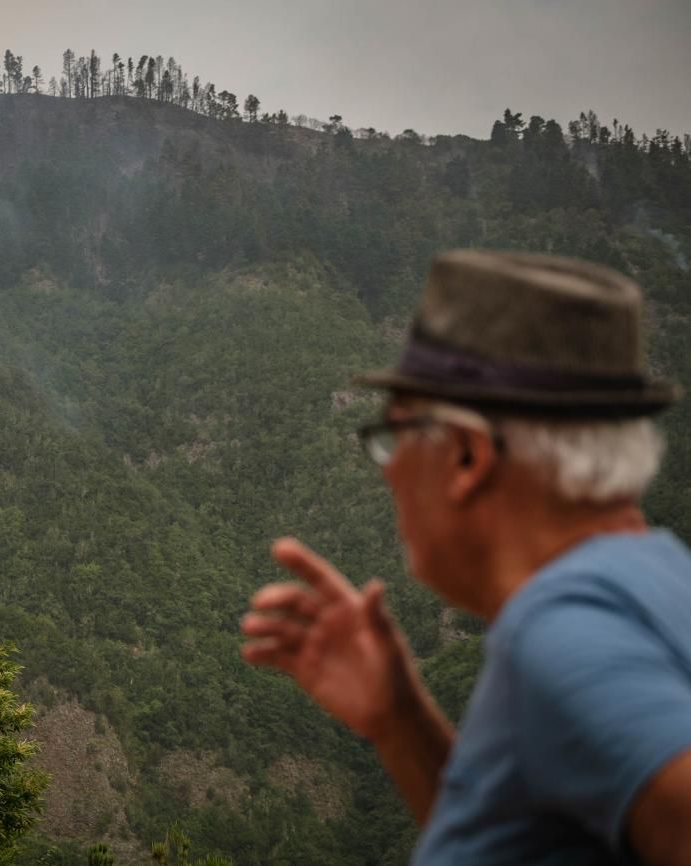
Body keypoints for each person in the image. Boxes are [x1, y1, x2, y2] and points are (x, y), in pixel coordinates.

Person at [240, 250, 691, 865]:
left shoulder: (562, 633)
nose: (391, 467)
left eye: (396, 435)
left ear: (467, 459)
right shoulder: (660, 576)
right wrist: (399, 721)